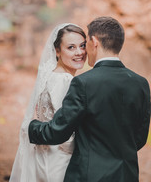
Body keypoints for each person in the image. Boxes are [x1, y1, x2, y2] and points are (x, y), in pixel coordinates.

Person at [29, 16, 150, 182]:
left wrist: (31, 127)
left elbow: (60, 130)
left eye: (84, 44)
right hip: (126, 174)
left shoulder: (83, 82)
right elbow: (140, 138)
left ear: (94, 42)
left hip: (89, 175)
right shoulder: (141, 83)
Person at [9, 23, 87, 182]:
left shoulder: (50, 76)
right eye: (71, 47)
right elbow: (65, 128)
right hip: (59, 161)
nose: (79, 52)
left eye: (82, 45)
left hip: (43, 156)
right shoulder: (65, 80)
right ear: (57, 51)